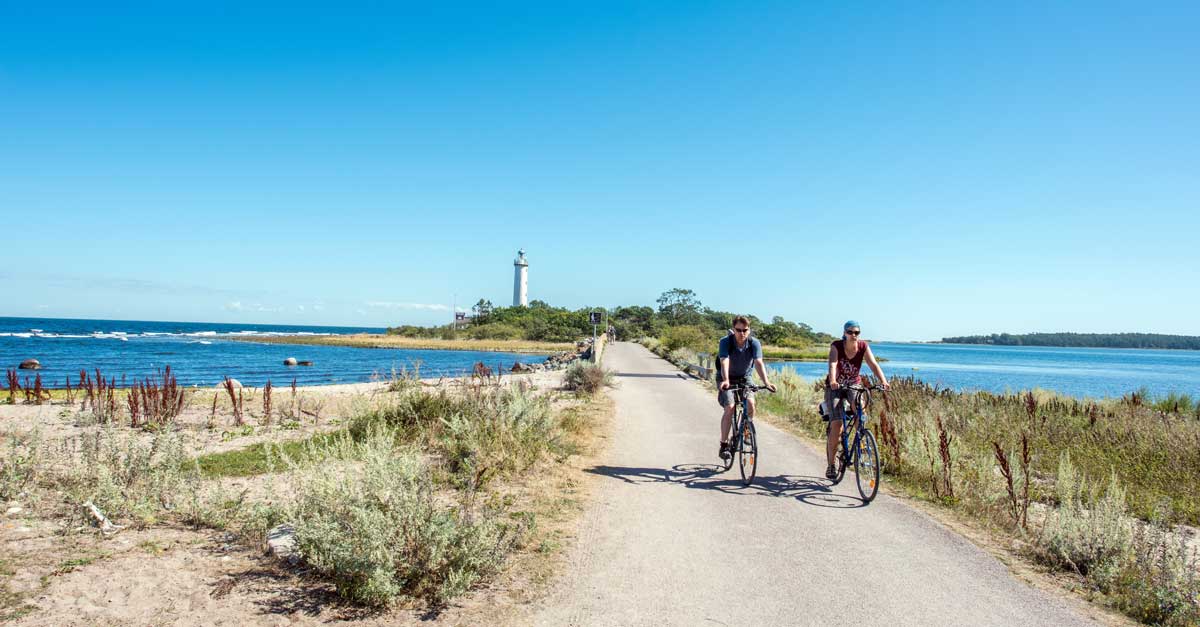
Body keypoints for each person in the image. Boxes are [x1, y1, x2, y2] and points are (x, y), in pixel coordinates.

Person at [824, 320, 889, 479]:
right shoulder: (837, 346)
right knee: (837, 424)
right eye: (850, 332)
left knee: (861, 412)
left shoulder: (863, 346)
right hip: (836, 387)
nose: (854, 335)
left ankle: (860, 442)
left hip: (854, 384)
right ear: (844, 333)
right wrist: (833, 381)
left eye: (856, 333)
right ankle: (831, 465)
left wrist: (883, 381)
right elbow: (833, 364)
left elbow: (873, 364)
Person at [717, 316, 776, 459]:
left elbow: (758, 362)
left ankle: (746, 431)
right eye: (738, 330)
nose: (742, 333)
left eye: (745, 330)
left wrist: (767, 382)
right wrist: (725, 380)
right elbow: (725, 360)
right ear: (734, 330)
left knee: (750, 403)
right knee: (730, 407)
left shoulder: (754, 343)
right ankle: (724, 445)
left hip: (745, 377)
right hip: (727, 378)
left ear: (749, 330)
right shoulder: (725, 342)